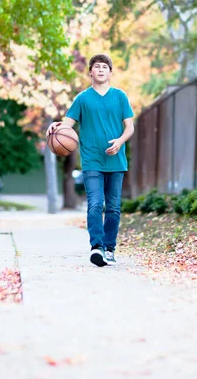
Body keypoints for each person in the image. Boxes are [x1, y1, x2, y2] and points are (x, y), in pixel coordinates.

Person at [46, 54, 134, 267]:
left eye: (105, 67)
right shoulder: (82, 98)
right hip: (91, 160)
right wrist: (55, 127)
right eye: (97, 67)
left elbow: (129, 127)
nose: (101, 70)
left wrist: (120, 141)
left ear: (110, 73)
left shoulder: (120, 97)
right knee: (95, 203)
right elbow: (67, 124)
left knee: (113, 207)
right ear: (91, 72)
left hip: (116, 161)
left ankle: (110, 248)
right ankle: (97, 247)